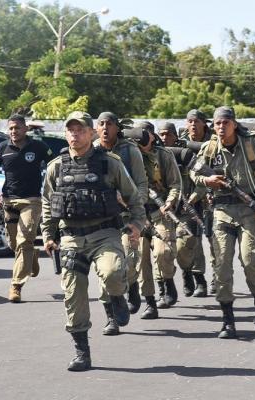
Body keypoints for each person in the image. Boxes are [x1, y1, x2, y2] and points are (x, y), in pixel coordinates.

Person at [41, 111, 145, 371]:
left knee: (111, 273)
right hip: (71, 238)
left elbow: (133, 196)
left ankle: (117, 295)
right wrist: (47, 235)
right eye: (70, 130)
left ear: (92, 133)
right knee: (73, 296)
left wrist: (136, 224)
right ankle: (81, 352)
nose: (75, 134)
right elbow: (47, 202)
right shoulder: (56, 166)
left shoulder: (110, 163)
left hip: (105, 234)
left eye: (80, 130)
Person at [190, 106, 255, 338]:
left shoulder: (252, 146)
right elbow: (194, 173)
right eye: (217, 123)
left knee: (251, 261)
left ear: (234, 124)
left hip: (251, 211)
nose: (221, 127)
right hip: (221, 210)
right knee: (222, 265)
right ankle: (228, 320)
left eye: (225, 123)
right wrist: (207, 180)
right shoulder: (209, 148)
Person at [0, 114, 54, 303]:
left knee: (24, 241)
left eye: (17, 128)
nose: (13, 132)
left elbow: (54, 165)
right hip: (9, 201)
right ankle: (31, 256)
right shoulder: (2, 148)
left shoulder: (38, 146)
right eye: (10, 129)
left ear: (25, 129)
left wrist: (53, 189)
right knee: (14, 244)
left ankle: (16, 286)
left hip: (32, 200)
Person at [94, 111, 148, 328]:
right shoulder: (92, 151)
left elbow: (142, 184)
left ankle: (132, 285)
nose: (105, 128)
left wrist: (133, 205)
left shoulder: (130, 151)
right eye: (101, 124)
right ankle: (111, 317)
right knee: (105, 270)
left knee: (129, 263)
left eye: (109, 124)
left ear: (117, 127)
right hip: (102, 220)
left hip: (127, 217)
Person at [132, 121, 182, 317]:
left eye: (146, 133)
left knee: (163, 253)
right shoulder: (128, 154)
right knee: (141, 260)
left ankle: (168, 281)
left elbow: (176, 184)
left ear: (153, 136)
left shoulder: (164, 155)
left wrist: (170, 202)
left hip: (160, 211)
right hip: (137, 213)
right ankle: (150, 302)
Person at [179, 109, 217, 295]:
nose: (193, 124)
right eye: (190, 121)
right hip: (190, 196)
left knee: (214, 238)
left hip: (212, 196)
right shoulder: (181, 141)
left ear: (204, 123)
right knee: (192, 239)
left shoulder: (215, 141)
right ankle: (196, 277)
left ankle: (218, 277)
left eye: (196, 121)